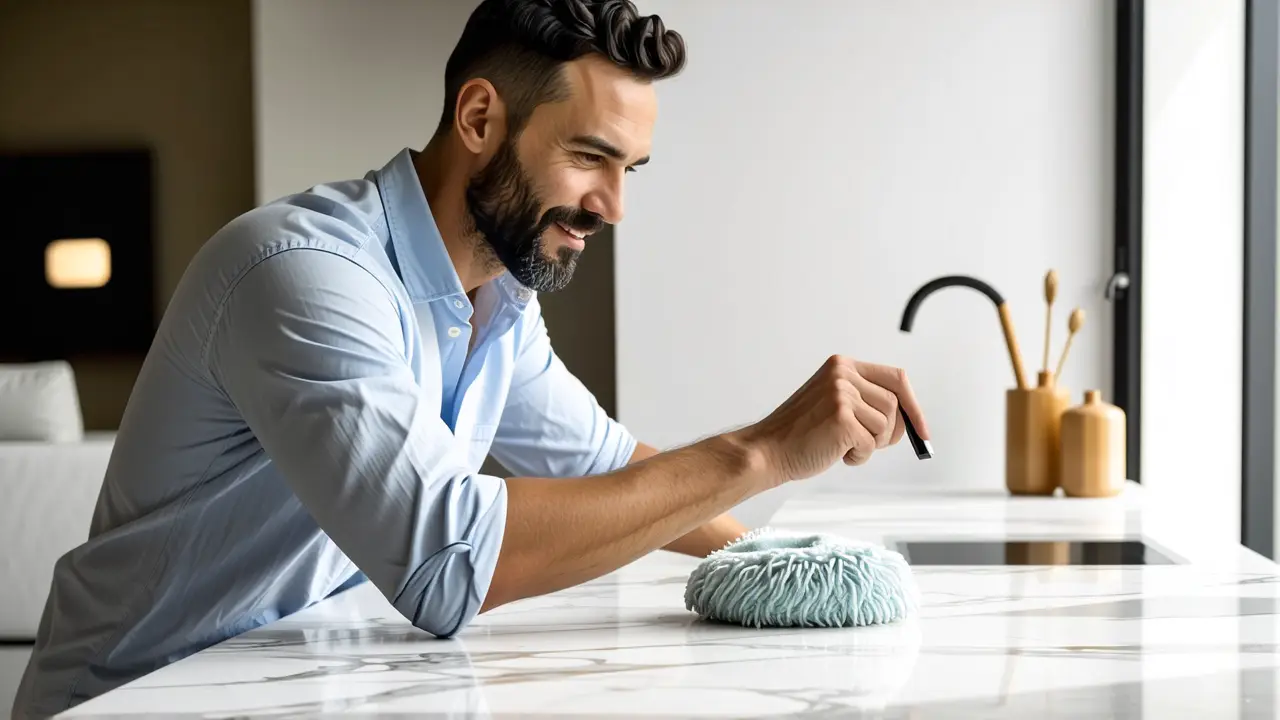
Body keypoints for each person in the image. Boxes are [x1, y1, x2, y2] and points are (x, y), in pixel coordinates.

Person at [12, 0, 930, 716]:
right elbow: (449, 565)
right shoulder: (302, 275)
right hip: (137, 698)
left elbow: (607, 466)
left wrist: (782, 572)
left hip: (281, 683)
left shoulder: (497, 297)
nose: (613, 206)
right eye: (589, 158)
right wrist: (763, 450)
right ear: (481, 116)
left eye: (629, 171)